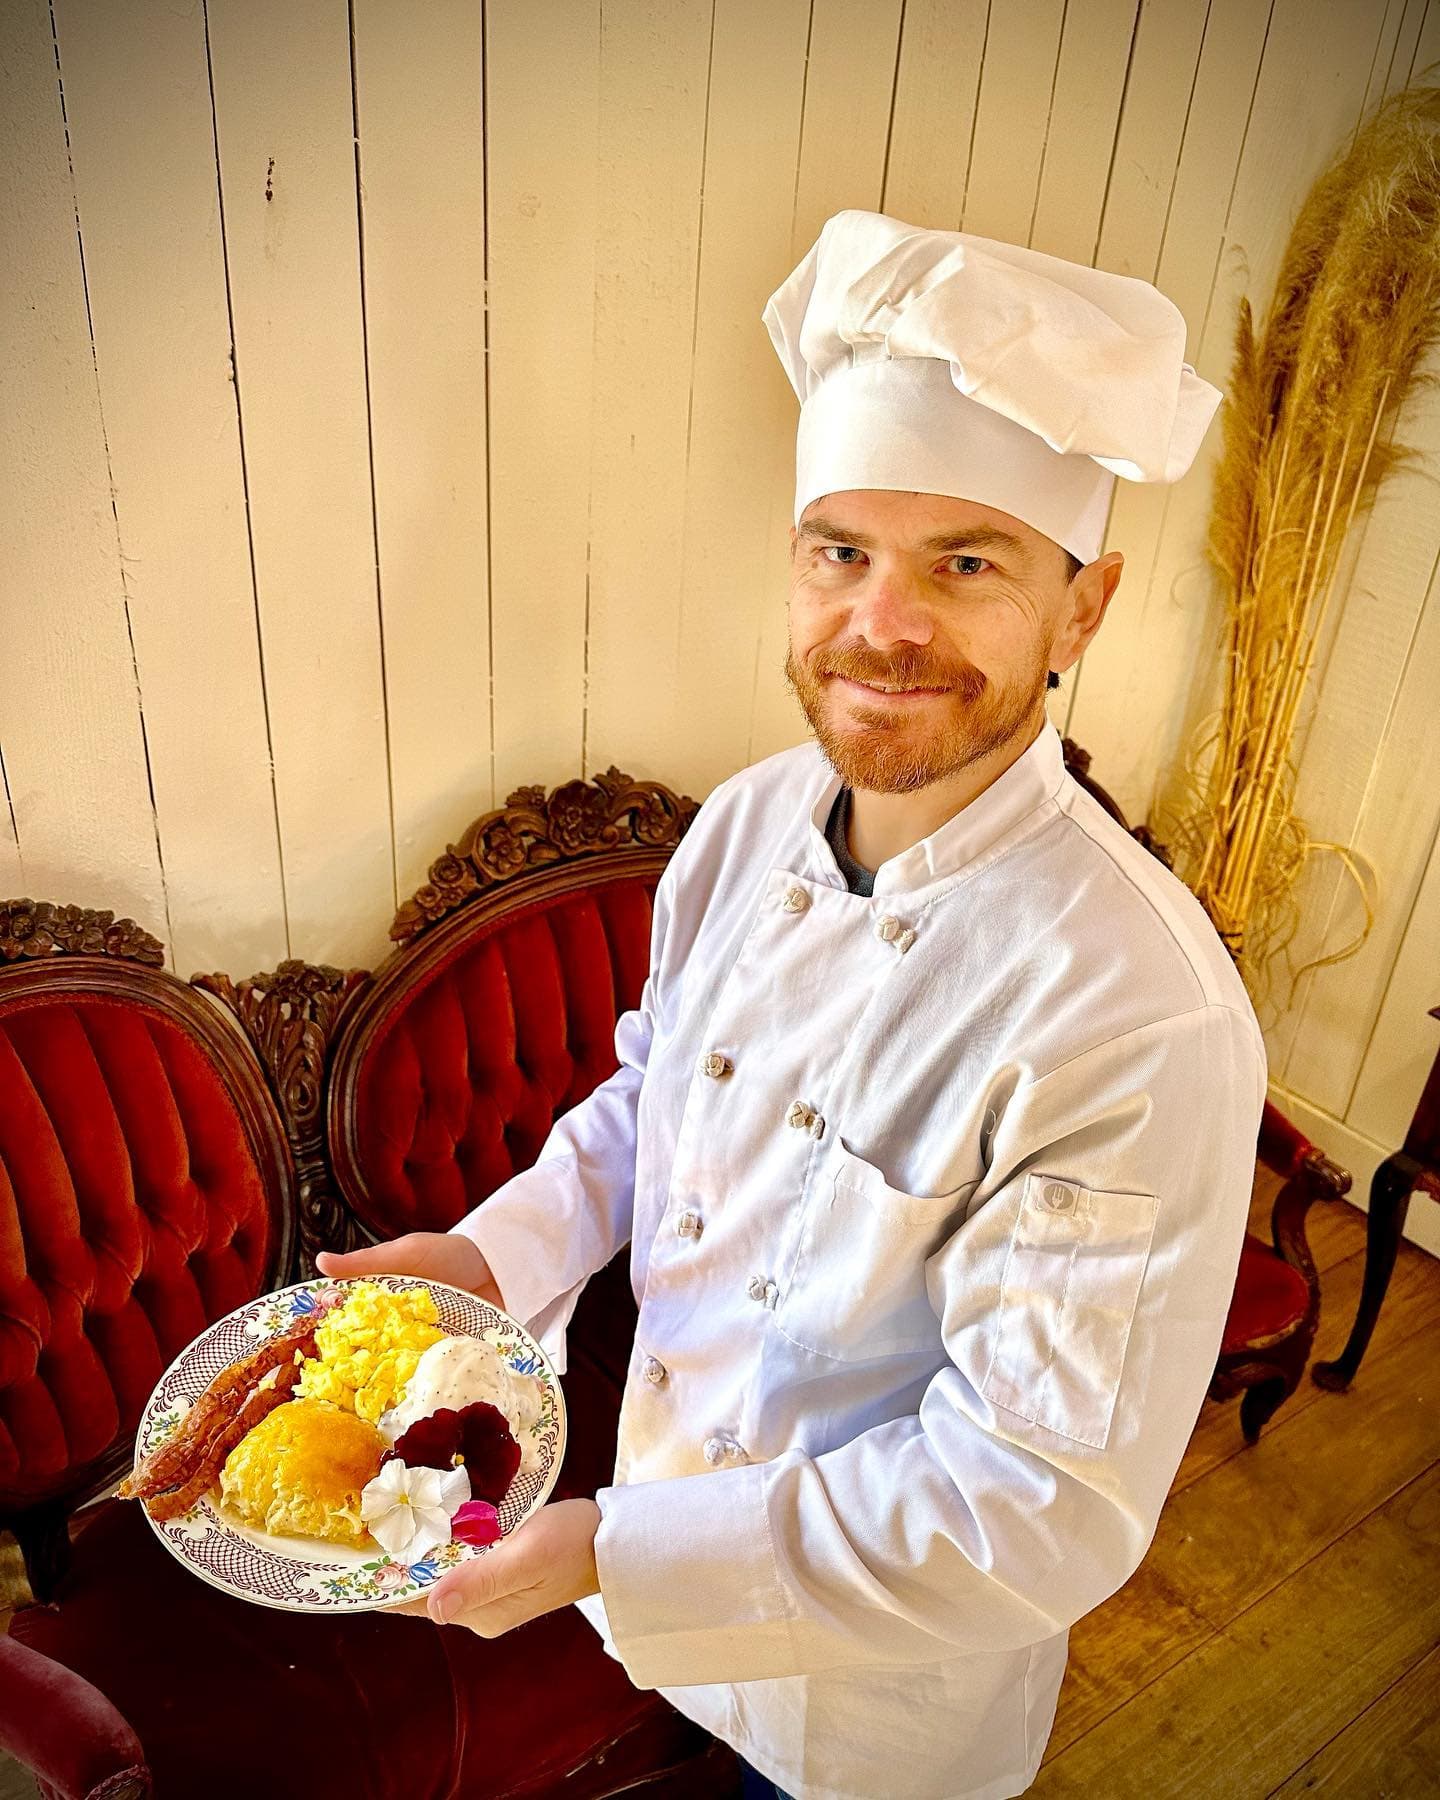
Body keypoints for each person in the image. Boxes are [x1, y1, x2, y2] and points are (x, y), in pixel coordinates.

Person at [318, 209, 1266, 1800]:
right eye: (842, 551)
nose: (879, 624)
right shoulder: (748, 822)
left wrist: (610, 1550)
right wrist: (495, 1253)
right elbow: (657, 1102)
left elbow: (1028, 1506)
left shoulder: (1141, 1014)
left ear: (1083, 608)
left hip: (875, 1708)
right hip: (658, 1551)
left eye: (966, 563)